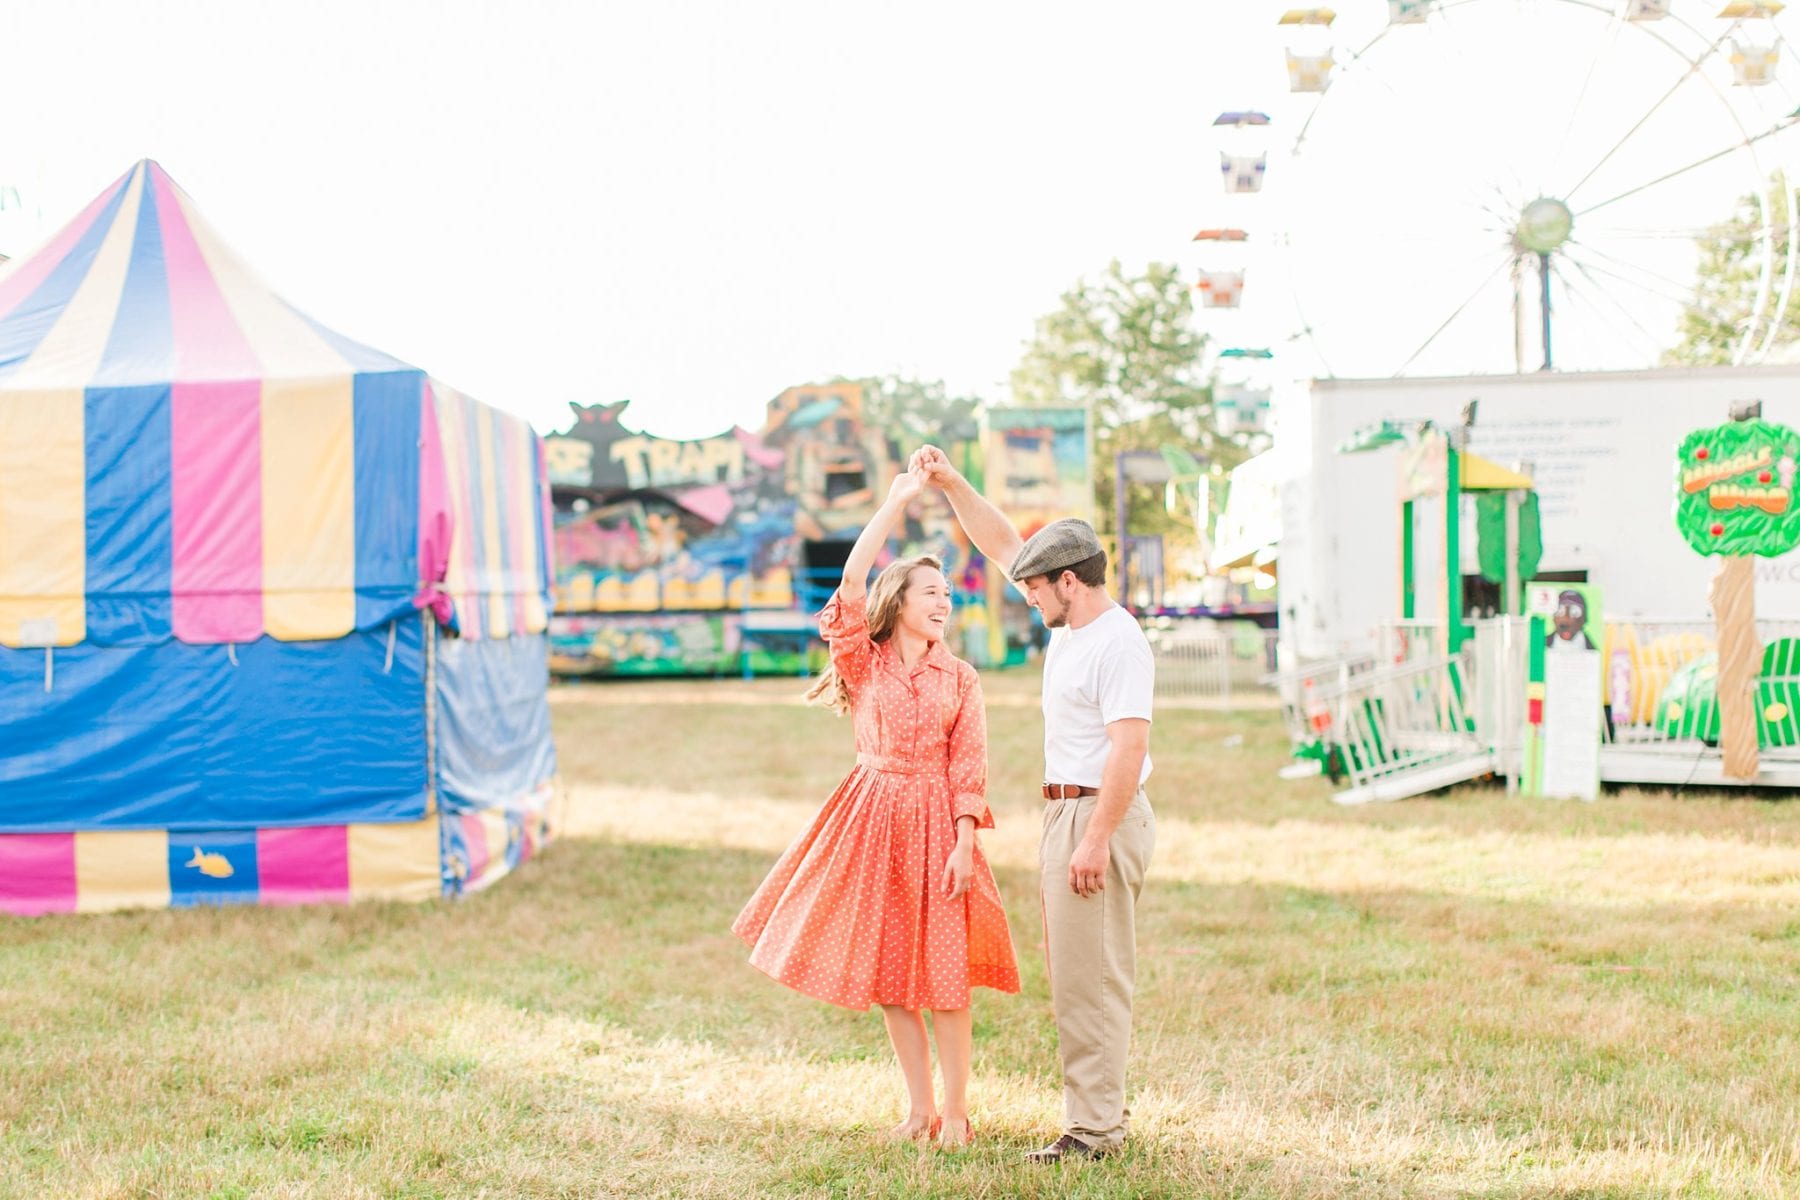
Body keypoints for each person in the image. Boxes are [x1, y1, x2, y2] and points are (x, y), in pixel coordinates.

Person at [732, 468, 1020, 1150]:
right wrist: (894, 502)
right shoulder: (865, 661)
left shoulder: (961, 677)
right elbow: (851, 583)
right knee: (893, 980)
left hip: (938, 825)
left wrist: (962, 841)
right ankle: (918, 1110)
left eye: (948, 594)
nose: (943, 602)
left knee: (946, 980)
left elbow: (968, 767)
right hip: (872, 819)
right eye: (931, 592)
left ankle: (956, 1112)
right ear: (898, 603)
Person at [910, 444, 1156, 1164]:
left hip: (1097, 815)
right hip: (1066, 813)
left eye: (1038, 589)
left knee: (1093, 981)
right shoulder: (1073, 620)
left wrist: (1094, 838)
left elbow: (1129, 749)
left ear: (1071, 582)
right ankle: (1099, 1111)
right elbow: (1003, 546)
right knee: (1077, 971)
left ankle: (1094, 1132)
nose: (1029, 598)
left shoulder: (1118, 644)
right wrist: (951, 481)